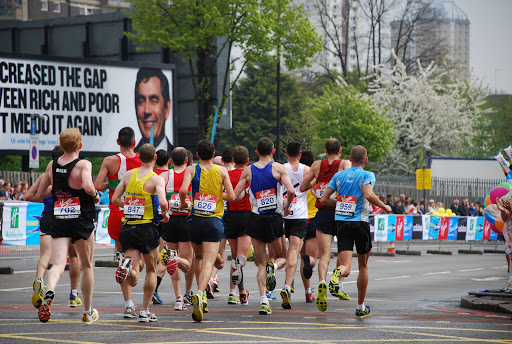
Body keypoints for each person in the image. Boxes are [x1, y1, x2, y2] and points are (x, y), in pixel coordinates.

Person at [36, 128, 100, 324]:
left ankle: (49, 294)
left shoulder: (52, 165)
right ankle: (87, 312)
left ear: (61, 145)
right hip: (81, 218)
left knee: (57, 264)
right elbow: (88, 187)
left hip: (59, 217)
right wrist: (95, 195)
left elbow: (40, 195)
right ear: (80, 145)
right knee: (86, 265)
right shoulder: (83, 164)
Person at [321, 145, 392, 318]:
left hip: (342, 223)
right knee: (363, 266)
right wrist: (384, 206)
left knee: (345, 266)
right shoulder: (367, 175)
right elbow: (368, 195)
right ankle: (360, 307)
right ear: (365, 160)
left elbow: (324, 199)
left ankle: (338, 272)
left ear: (349, 158)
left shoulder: (338, 175)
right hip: (360, 223)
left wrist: (340, 204)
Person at [233, 137, 294, 316]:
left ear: (257, 152)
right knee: (282, 257)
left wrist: (245, 192)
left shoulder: (248, 170)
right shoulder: (278, 168)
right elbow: (291, 190)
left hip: (255, 219)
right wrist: (287, 206)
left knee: (261, 262)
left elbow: (236, 196)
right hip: (274, 219)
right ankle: (273, 268)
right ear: (273, 151)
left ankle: (263, 302)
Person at [178, 139, 235, 322]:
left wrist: (184, 203)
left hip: (194, 220)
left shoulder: (191, 169)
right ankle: (201, 294)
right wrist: (219, 194)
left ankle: (200, 293)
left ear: (197, 155)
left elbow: (182, 190)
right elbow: (232, 196)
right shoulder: (222, 171)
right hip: (213, 221)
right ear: (213, 155)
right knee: (209, 261)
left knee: (200, 257)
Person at [112, 143, 170, 323]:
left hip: (128, 227)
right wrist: (165, 214)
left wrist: (128, 206)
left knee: (134, 274)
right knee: (152, 270)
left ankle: (127, 269)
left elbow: (115, 199)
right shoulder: (156, 179)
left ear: (139, 157)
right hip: (146, 228)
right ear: (154, 158)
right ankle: (145, 310)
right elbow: (162, 201)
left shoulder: (129, 175)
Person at [25, 146, 83, 309]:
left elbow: (28, 196)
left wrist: (45, 198)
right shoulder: (72, 174)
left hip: (47, 216)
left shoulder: (45, 175)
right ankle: (73, 294)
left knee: (45, 255)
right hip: (66, 216)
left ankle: (39, 280)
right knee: (74, 257)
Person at [94, 127, 142, 319]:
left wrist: (112, 184)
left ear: (117, 142)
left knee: (124, 259)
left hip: (116, 215)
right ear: (134, 142)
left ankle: (128, 305)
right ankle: (130, 269)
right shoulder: (143, 160)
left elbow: (97, 186)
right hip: (138, 216)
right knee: (139, 266)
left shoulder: (109, 161)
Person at [299, 138, 351, 312]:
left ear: (325, 150)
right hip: (340, 212)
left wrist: (318, 182)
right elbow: (349, 183)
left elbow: (303, 187)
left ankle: (321, 282)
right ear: (340, 150)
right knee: (343, 253)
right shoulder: (344, 163)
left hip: (321, 214)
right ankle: (339, 284)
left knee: (325, 255)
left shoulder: (316, 165)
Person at [153, 148, 193, 311]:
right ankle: (188, 293)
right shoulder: (190, 174)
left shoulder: (164, 176)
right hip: (186, 219)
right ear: (186, 160)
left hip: (169, 220)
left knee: (172, 256)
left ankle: (178, 298)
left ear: (171, 159)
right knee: (187, 261)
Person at [279, 140, 309, 310]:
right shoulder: (307, 170)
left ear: (286, 152)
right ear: (300, 153)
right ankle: (287, 286)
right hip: (299, 215)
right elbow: (315, 184)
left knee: (278, 252)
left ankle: (270, 284)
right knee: (293, 252)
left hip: (282, 212)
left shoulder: (281, 168)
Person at [224, 146, 252, 306]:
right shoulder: (249, 174)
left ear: (233, 160)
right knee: (241, 259)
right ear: (247, 160)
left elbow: (224, 194)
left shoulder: (227, 175)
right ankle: (238, 293)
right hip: (246, 216)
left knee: (235, 257)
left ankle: (236, 293)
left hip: (230, 216)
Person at [133, 68, 174, 154]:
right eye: (141, 102)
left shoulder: (178, 157)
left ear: (167, 107)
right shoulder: (128, 162)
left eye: (154, 101)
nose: (147, 110)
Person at [298, 149, 319, 303]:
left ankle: (306, 291)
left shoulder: (295, 176)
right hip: (313, 218)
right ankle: (310, 261)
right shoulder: (316, 178)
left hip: (298, 218)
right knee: (311, 259)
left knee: (299, 257)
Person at [495, 197, 512, 291]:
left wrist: (510, 209)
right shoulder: (510, 197)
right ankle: (511, 284)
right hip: (510, 234)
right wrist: (502, 210)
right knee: (509, 256)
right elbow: (506, 218)